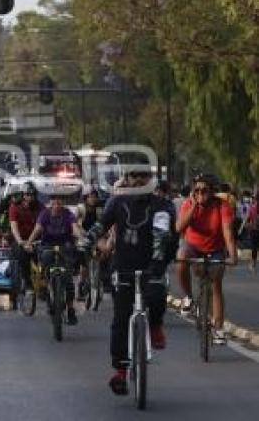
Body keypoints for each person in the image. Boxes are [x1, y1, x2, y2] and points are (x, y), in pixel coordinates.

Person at [94, 168, 176, 396]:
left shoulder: (163, 205)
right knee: (120, 319)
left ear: (152, 181)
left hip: (152, 266)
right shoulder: (117, 203)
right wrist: (87, 240)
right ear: (127, 180)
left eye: (144, 176)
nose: (139, 179)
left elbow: (163, 235)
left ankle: (156, 325)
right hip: (123, 267)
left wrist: (159, 264)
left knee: (158, 298)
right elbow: (101, 226)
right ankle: (120, 373)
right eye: (134, 175)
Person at [175, 174, 238, 345]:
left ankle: (218, 328)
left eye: (205, 190)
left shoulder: (222, 206)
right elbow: (179, 227)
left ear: (212, 192)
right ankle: (188, 297)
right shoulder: (188, 204)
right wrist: (194, 207)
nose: (201, 193)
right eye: (197, 190)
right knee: (181, 257)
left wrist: (233, 256)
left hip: (215, 250)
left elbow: (228, 235)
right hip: (193, 248)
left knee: (216, 284)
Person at [26, 192, 83, 326]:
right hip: (48, 246)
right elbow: (37, 230)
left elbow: (75, 228)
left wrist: (81, 239)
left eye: (59, 202)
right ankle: (46, 286)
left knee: (68, 280)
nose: (57, 205)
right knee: (44, 259)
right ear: (50, 203)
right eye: (54, 202)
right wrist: (29, 242)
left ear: (62, 203)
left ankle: (70, 309)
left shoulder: (68, 214)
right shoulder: (44, 214)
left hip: (65, 245)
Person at [9, 182, 44, 293]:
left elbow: (43, 225)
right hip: (20, 240)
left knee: (47, 254)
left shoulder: (40, 207)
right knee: (22, 255)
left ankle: (46, 281)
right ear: (23, 195)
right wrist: (20, 241)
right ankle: (28, 283)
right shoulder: (15, 207)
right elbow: (14, 227)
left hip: (36, 240)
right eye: (27, 195)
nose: (30, 197)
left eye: (32, 195)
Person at [244, 191, 259, 274]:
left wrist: (246, 225)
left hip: (254, 230)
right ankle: (252, 264)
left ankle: (253, 264)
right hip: (255, 229)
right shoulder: (253, 207)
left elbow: (247, 219)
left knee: (254, 248)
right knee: (254, 248)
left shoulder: (252, 207)